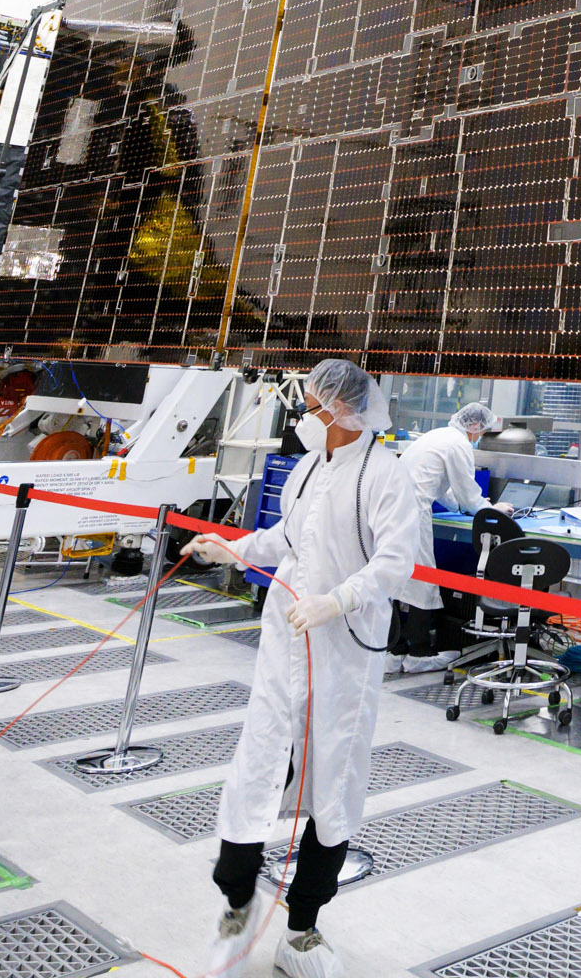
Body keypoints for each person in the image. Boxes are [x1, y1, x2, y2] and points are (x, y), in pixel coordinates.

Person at [180, 359, 423, 978]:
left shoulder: (386, 476)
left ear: (343, 412)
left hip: (342, 655)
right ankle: (237, 895)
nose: (304, 416)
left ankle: (304, 928)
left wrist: (336, 599)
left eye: (313, 406)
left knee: (333, 783)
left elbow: (397, 564)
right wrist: (229, 545)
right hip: (284, 646)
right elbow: (286, 538)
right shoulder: (310, 468)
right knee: (259, 766)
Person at [390, 402, 497, 667]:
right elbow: (468, 493)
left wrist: (463, 506)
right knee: (423, 579)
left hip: (391, 506)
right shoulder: (458, 445)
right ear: (474, 425)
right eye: (481, 431)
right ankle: (419, 653)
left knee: (396, 576)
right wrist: (493, 509)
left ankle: (394, 649)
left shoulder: (438, 435)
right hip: (411, 511)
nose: (479, 437)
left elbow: (443, 488)